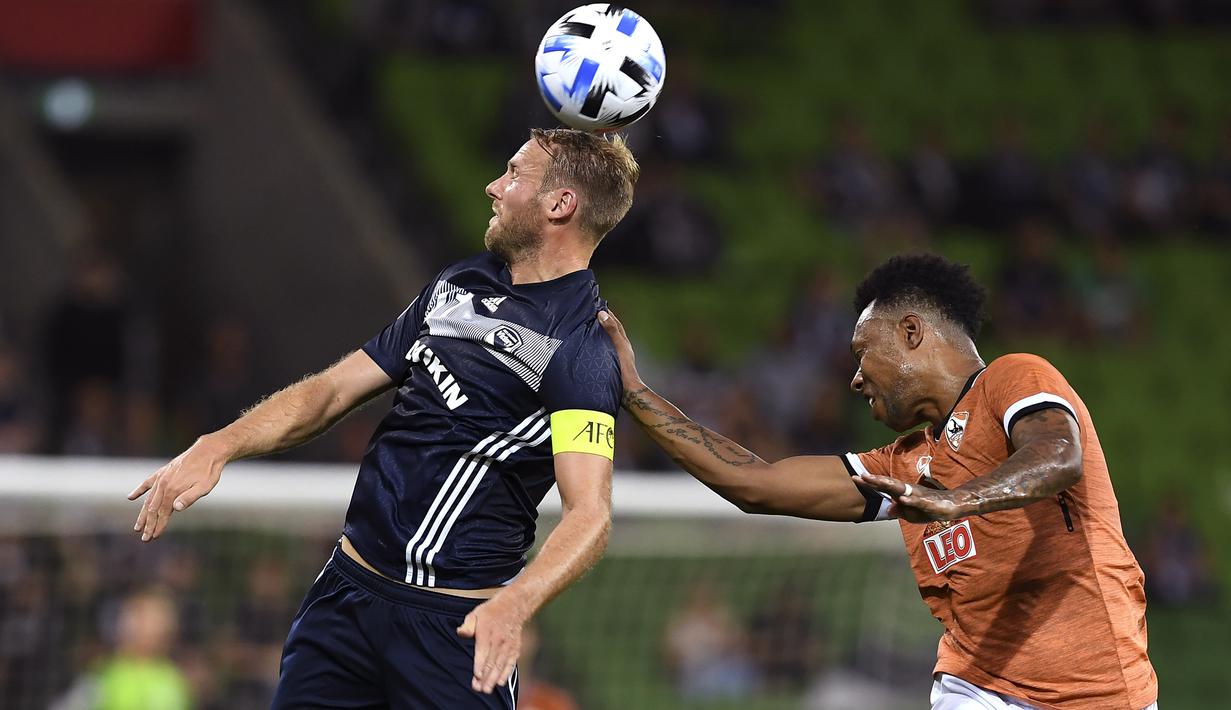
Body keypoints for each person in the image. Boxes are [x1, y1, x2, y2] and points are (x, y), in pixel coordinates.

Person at [128, 127, 638, 708]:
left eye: (515, 174)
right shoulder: (457, 284)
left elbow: (590, 513)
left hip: (454, 629)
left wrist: (517, 603)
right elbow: (330, 391)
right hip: (345, 599)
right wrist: (219, 444)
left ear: (560, 204)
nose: (493, 186)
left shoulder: (579, 346)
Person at [598, 254, 1157, 710]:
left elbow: (1059, 455)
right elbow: (756, 483)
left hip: (1103, 691)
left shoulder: (1011, 379)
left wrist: (958, 502)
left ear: (912, 331)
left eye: (863, 353)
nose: (855, 377)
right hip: (979, 689)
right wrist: (634, 394)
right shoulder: (902, 465)